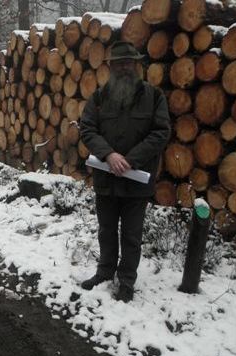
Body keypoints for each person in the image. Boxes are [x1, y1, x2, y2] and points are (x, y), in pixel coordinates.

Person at [79, 41, 170, 302]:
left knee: (131, 235)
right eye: (118, 64)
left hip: (137, 182)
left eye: (128, 63)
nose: (123, 68)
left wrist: (130, 159)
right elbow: (87, 129)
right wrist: (109, 154)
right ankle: (105, 271)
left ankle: (127, 281)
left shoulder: (154, 96)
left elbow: (161, 132)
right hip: (106, 179)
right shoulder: (98, 97)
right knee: (106, 229)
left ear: (136, 65)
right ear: (110, 67)